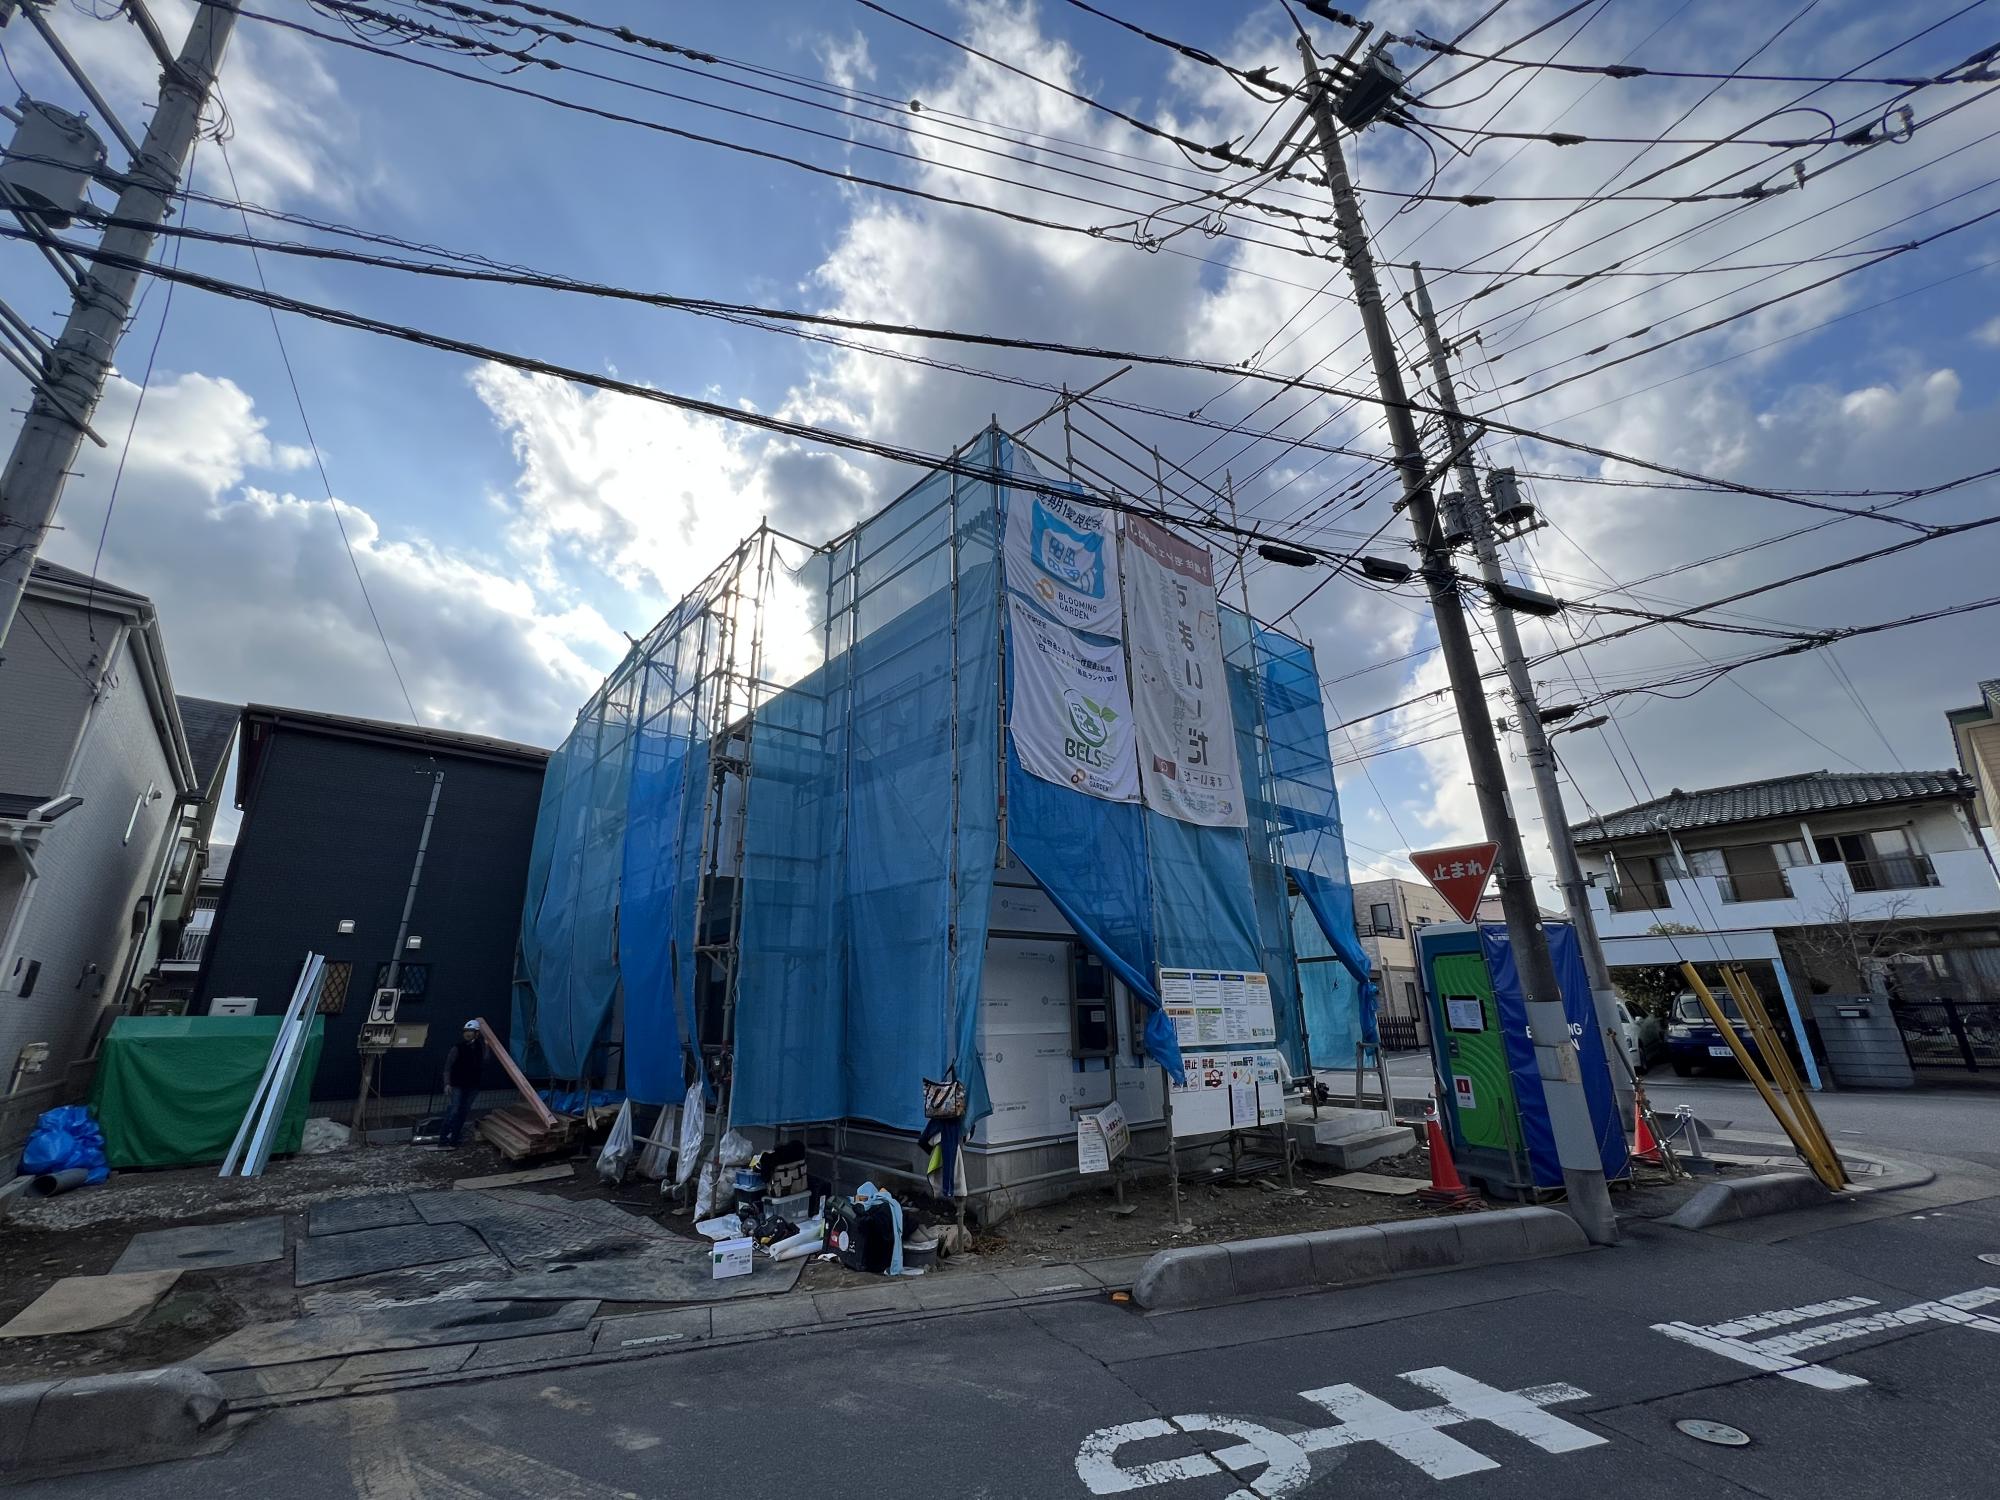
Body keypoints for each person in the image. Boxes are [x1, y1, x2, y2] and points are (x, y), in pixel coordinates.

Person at [440, 1021, 487, 1147]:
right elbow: (448, 1067)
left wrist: (487, 1046)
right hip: (457, 1085)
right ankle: (443, 1138)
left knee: (464, 1111)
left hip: (473, 1085)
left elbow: (485, 1060)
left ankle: (454, 1139)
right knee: (454, 1110)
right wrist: (447, 1083)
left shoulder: (479, 1048)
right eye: (465, 1031)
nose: (467, 1033)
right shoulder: (458, 1048)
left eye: (470, 1031)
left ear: (476, 1033)